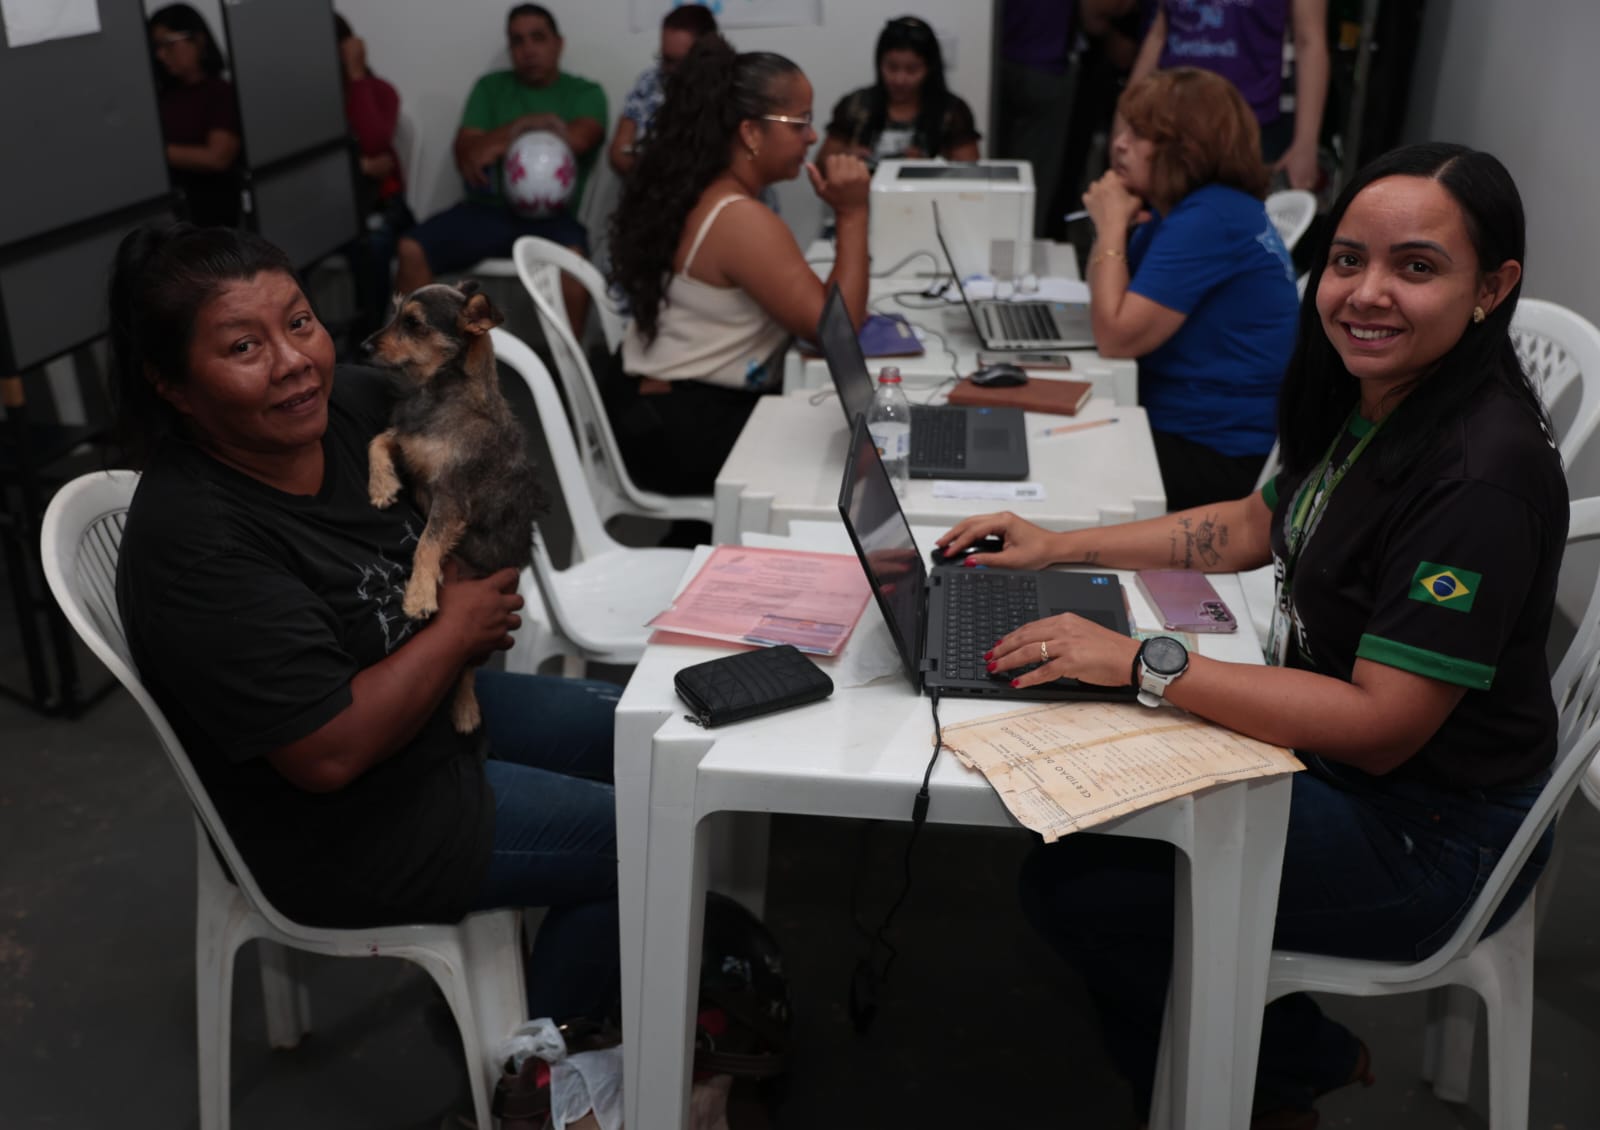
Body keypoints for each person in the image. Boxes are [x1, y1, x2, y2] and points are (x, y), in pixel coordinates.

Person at [937, 142, 1562, 1128]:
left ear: (1492, 286)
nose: (1365, 293)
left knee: (1089, 889)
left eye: (1415, 266)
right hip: (1345, 770)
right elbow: (1247, 525)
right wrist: (1056, 546)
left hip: (1425, 832)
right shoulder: (1380, 400)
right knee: (1083, 840)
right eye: (1347, 259)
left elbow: (1380, 724)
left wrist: (1147, 662)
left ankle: (1273, 1081)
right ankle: (1258, 1069)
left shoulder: (1478, 475)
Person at [109, 224, 620, 1024]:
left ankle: (580, 1011)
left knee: (642, 735)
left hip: (428, 723)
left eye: (300, 322)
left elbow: (488, 471)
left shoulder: (351, 405)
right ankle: (540, 1084)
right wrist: (455, 630)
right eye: (245, 347)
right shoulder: (196, 543)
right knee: (647, 839)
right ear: (172, 385)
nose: (294, 364)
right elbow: (328, 754)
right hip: (355, 826)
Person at [605, 36, 870, 502]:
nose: (811, 137)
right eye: (800, 122)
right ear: (750, 133)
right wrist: (852, 214)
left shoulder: (702, 189)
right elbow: (837, 330)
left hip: (655, 406)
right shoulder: (738, 217)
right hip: (679, 430)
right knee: (835, 454)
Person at [1084, 67, 1298, 510]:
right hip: (1188, 429)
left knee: (1055, 464)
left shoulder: (1210, 218)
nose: (1119, 143)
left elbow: (1115, 336)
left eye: (1141, 134)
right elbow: (1111, 301)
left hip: (1214, 455)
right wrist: (1118, 227)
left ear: (1189, 148)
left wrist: (1108, 229)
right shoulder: (1185, 209)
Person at [395, 3, 605, 328]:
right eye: (518, 41)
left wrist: (495, 144)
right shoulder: (490, 88)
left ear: (558, 43)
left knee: (575, 265)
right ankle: (415, 363)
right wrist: (527, 124)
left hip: (554, 220)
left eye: (538, 37)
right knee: (411, 248)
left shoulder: (585, 93)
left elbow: (579, 139)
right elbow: (467, 154)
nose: (528, 49)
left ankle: (567, 374)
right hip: (487, 212)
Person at [1131, 0, 1329, 191]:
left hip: (1248, 128)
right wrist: (1126, 117)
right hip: (1168, 120)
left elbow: (1310, 40)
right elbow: (1159, 33)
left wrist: (1306, 143)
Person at [334, 12, 415, 339]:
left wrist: (355, 76)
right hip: (327, 207)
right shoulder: (308, 98)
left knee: (373, 247)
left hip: (376, 204)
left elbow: (373, 141)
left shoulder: (378, 91)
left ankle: (368, 343)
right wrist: (358, 166)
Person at [817, 16, 980, 167]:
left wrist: (928, 167)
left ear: (929, 68)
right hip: (861, 195)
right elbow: (821, 164)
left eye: (912, 69)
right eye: (892, 67)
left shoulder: (952, 111)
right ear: (879, 63)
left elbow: (968, 172)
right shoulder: (855, 104)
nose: (899, 79)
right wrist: (845, 158)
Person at [148, 4, 242, 229]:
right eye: (156, 47)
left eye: (169, 44)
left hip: (213, 214)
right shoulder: (162, 97)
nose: (161, 55)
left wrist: (154, 153)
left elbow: (217, 157)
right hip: (174, 213)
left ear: (198, 40)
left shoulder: (220, 92)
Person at [608, 3, 719, 178]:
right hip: (652, 194)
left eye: (681, 62)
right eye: (666, 60)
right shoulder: (649, 82)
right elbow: (619, 152)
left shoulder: (731, 90)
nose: (672, 70)